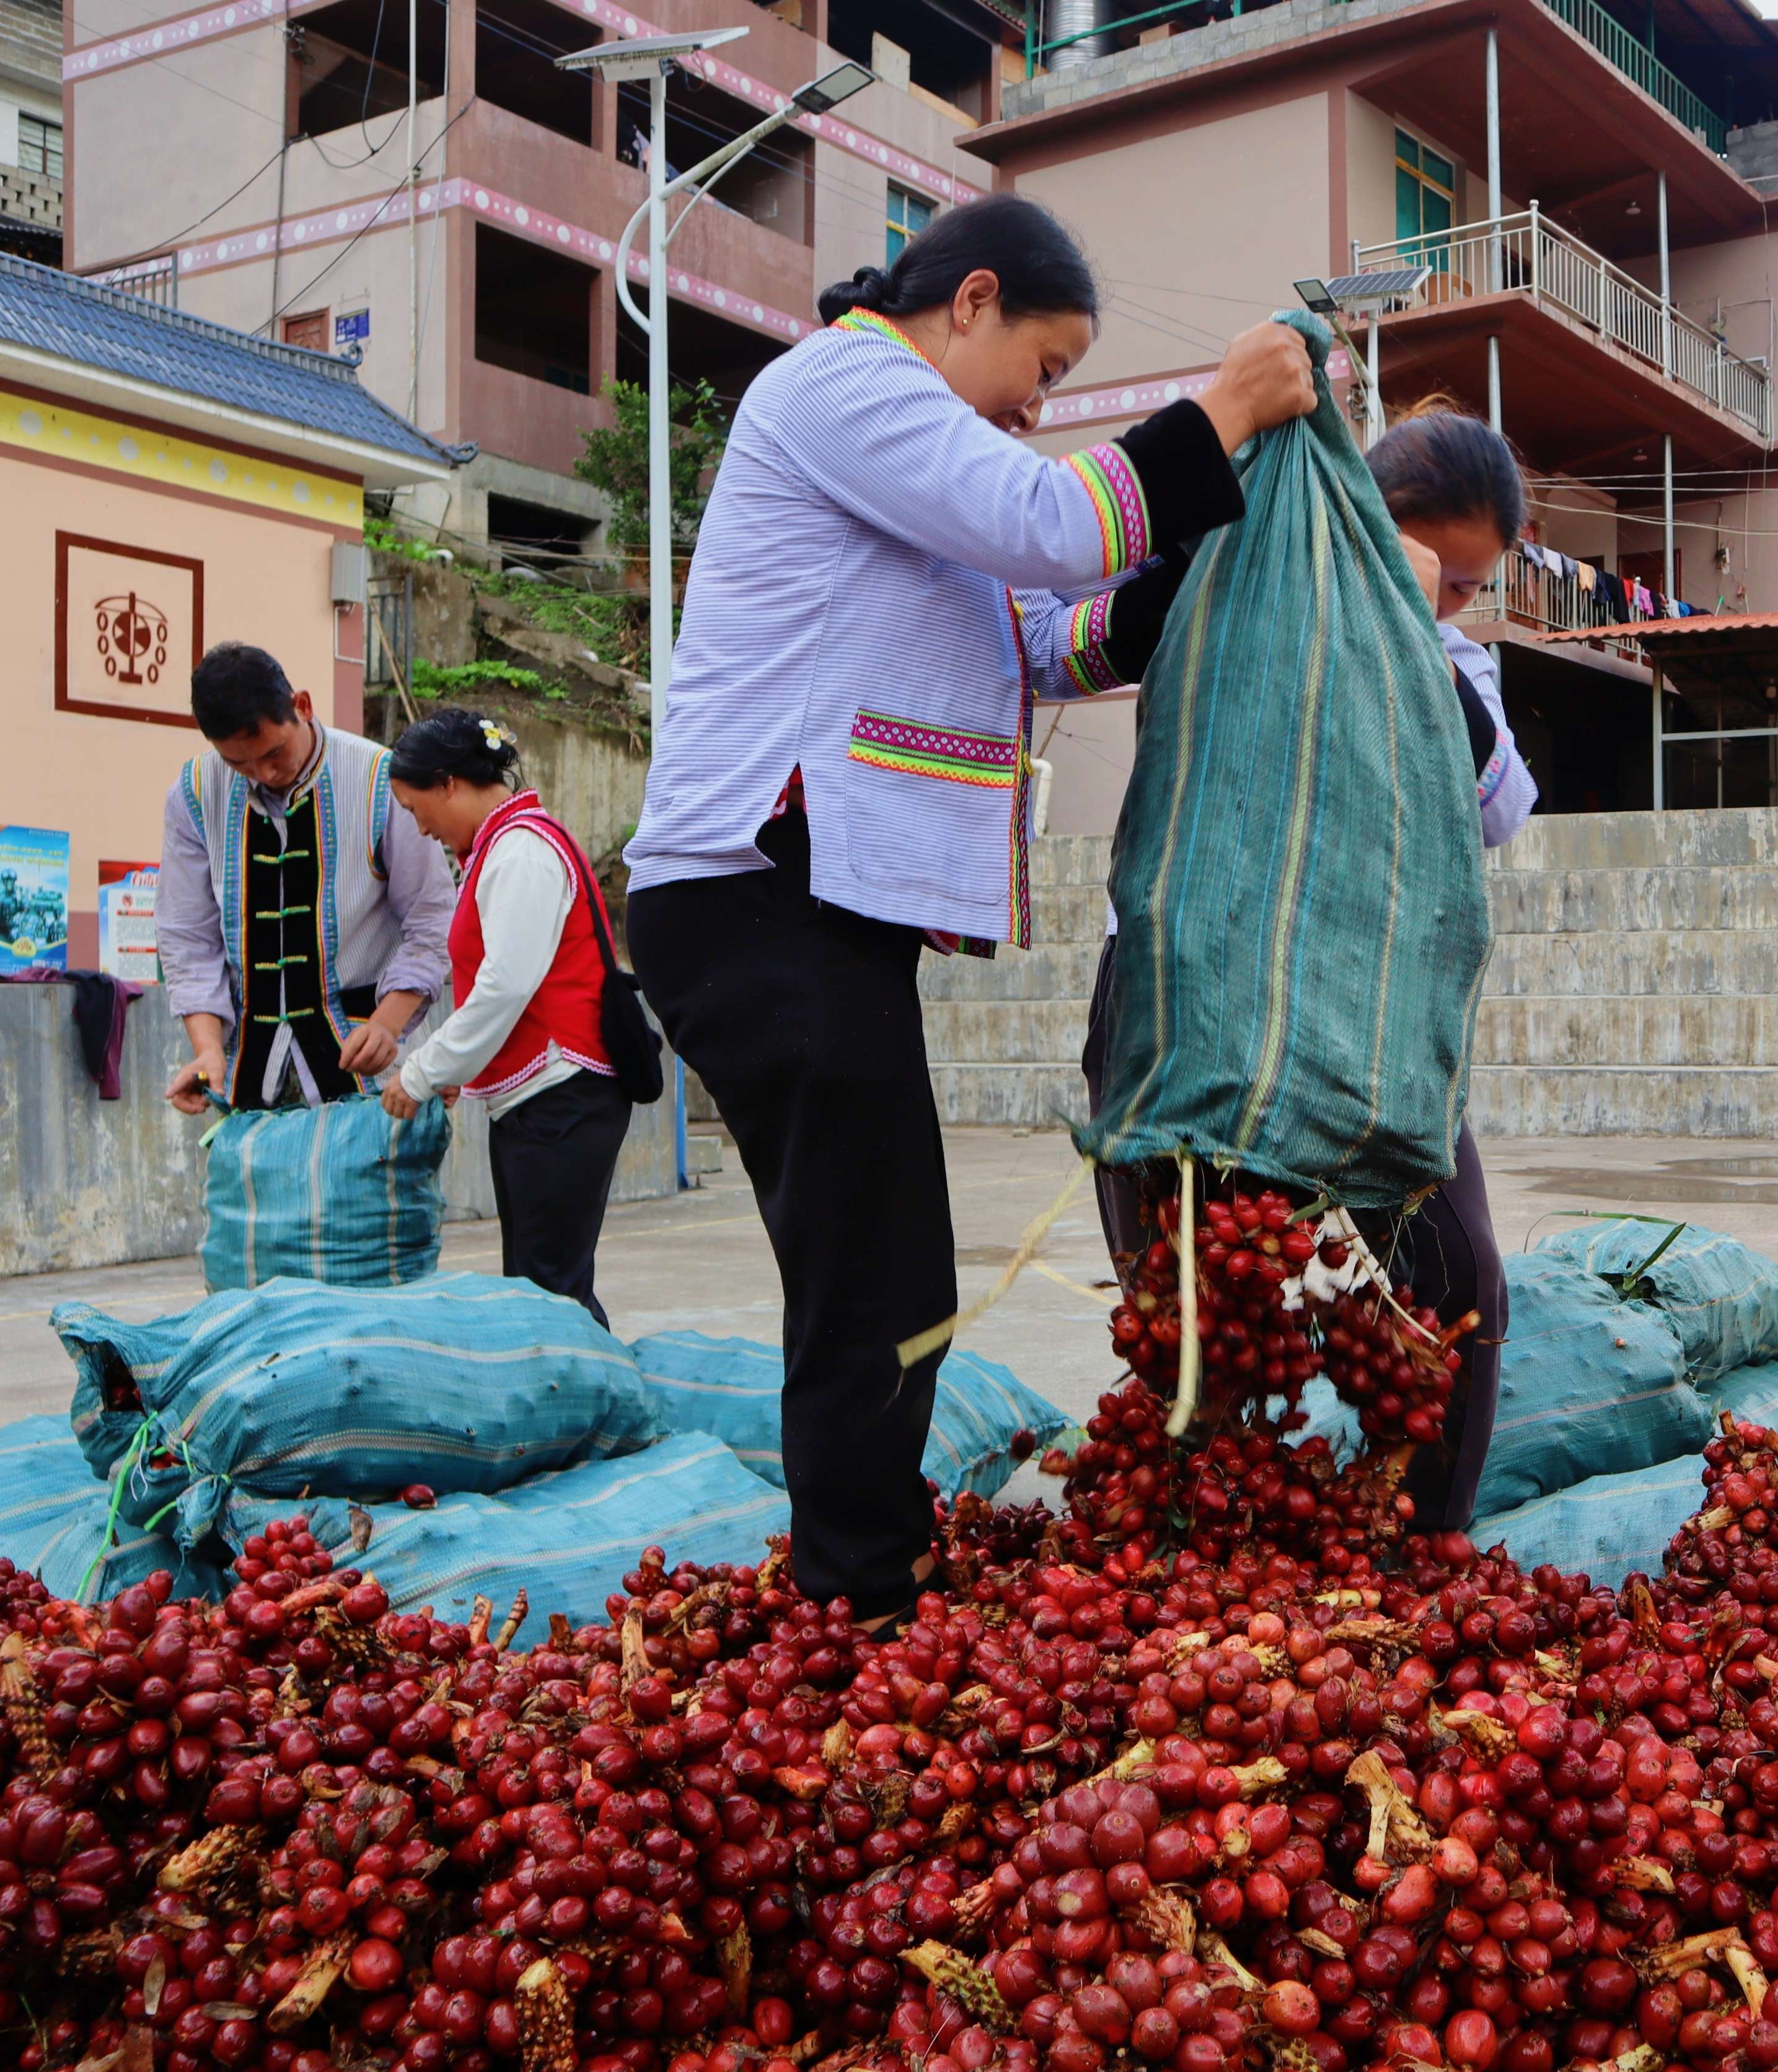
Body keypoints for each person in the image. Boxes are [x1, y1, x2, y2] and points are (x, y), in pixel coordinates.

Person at [623, 192, 1315, 1625]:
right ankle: (858, 1601)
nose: (1036, 408)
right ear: (972, 300)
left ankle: (865, 1574)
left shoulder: (926, 469)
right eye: (1043, 369)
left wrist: (1187, 571)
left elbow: (1052, 643)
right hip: (757, 894)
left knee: (887, 1267)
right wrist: (1226, 408)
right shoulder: (847, 383)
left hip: (814, 911)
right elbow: (1051, 524)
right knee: (873, 1280)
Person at [1079, 402, 1534, 1529]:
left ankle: (1425, 1539)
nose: (1454, 600)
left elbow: (1499, 807)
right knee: (1196, 1309)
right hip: (1187, 1005)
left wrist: (1413, 620)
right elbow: (1080, 635)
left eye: (1469, 586)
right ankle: (1201, 1567)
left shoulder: (1450, 655)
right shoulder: (1233, 584)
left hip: (1364, 1021)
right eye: (1442, 573)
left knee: (1456, 1276)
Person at [379, 710, 635, 1325]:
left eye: (416, 809)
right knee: (539, 1288)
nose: (421, 828)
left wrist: (423, 1070)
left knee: (550, 1294)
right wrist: (456, 1069)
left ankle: (587, 1386)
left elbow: (505, 986)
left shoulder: (521, 851)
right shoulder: (502, 847)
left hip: (562, 1098)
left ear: (449, 784)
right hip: (541, 1101)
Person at [159, 643, 454, 1115]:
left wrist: (387, 1024)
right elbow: (188, 936)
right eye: (238, 764)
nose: (263, 773)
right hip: (249, 1076)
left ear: (302, 706)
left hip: (372, 1069)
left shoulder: (380, 779)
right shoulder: (193, 794)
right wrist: (208, 1051)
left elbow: (432, 918)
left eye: (274, 752)